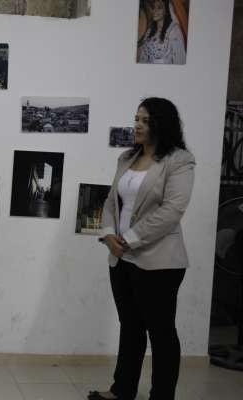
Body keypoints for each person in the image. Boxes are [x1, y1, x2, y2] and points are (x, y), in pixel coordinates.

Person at [89, 97, 195, 400]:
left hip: (159, 261)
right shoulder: (126, 158)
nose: (137, 125)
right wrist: (109, 235)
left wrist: (129, 239)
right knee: (131, 327)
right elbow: (111, 202)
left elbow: (173, 210)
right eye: (136, 119)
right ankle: (122, 390)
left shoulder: (179, 160)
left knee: (161, 333)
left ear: (162, 124)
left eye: (145, 121)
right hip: (121, 257)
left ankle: (162, 395)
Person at [137, 0, 186, 64]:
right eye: (153, 7)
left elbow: (179, 59)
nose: (155, 10)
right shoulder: (149, 31)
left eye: (159, 7)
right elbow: (143, 57)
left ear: (166, 11)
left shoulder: (174, 30)